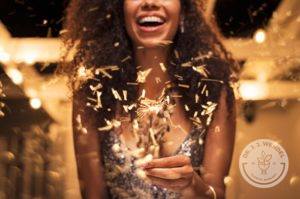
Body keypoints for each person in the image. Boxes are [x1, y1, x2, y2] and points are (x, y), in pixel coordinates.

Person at [60, 0, 238, 198]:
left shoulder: (213, 90)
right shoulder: (92, 94)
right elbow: (93, 194)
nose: (150, 2)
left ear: (183, 7)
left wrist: (192, 185)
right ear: (118, 7)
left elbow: (217, 193)